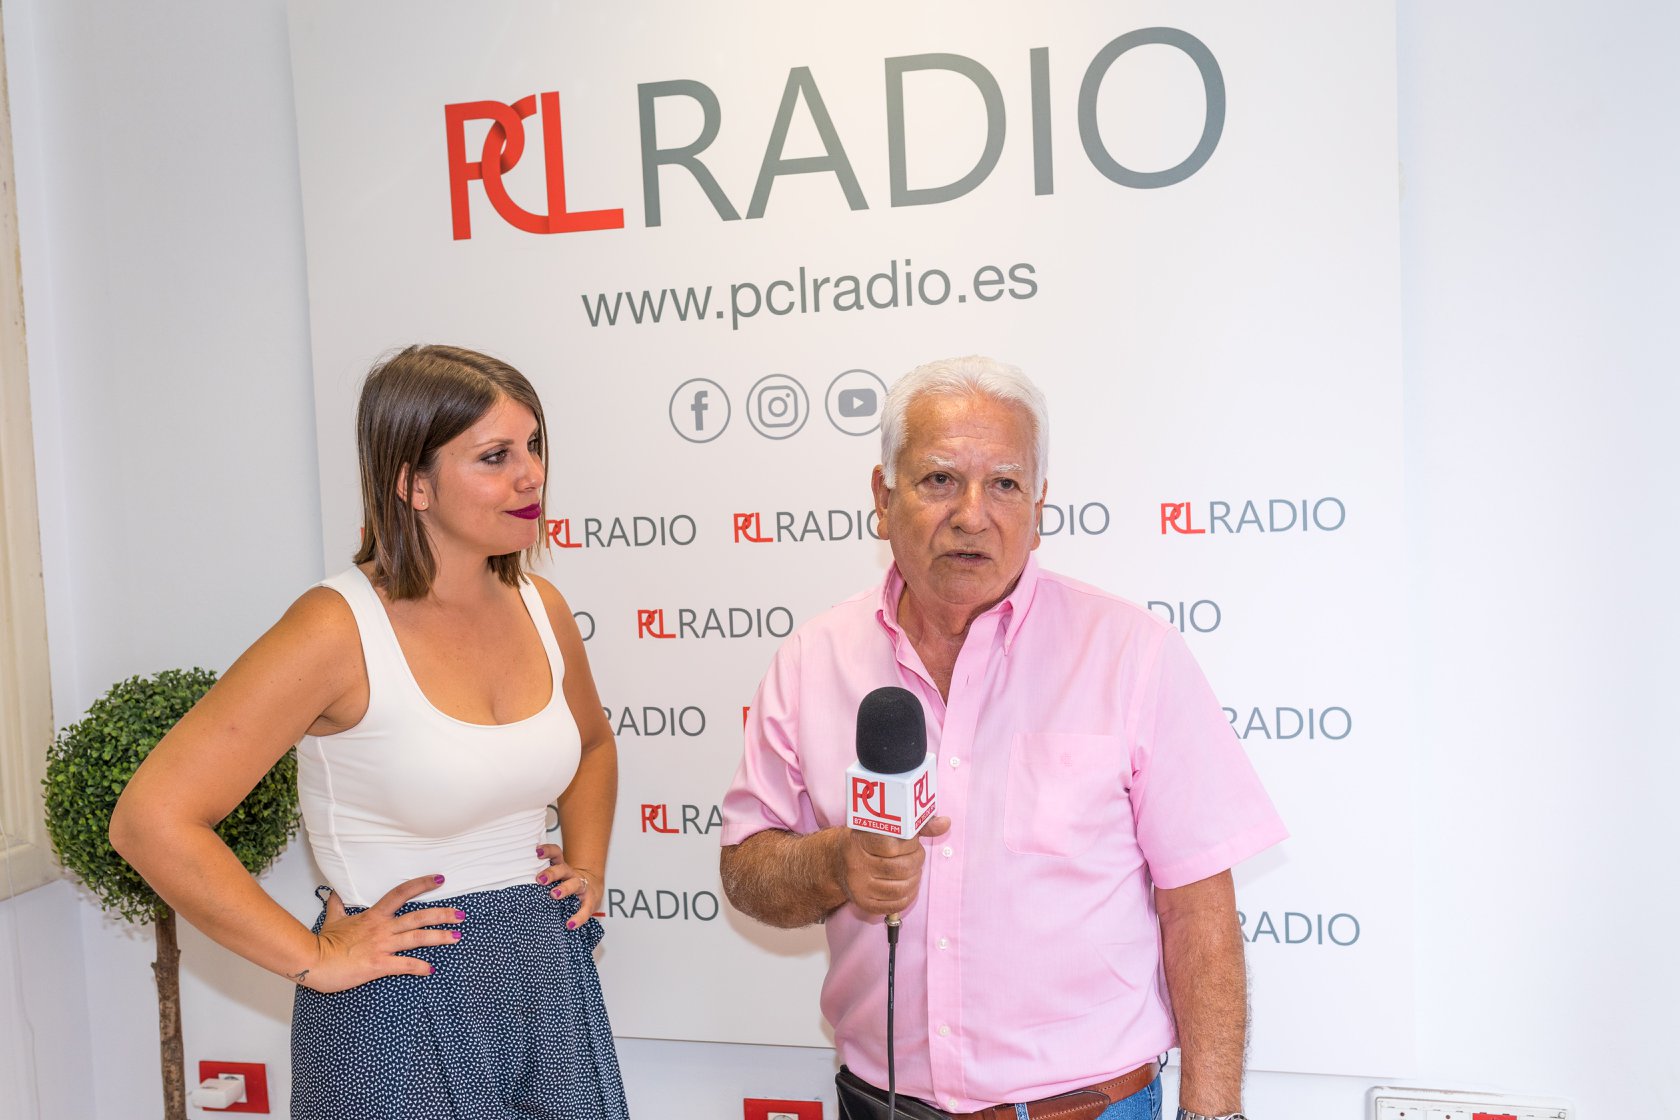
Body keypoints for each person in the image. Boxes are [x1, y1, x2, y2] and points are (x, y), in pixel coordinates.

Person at [719, 356, 1286, 1120]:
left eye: (1005, 485)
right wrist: (834, 862)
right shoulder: (812, 658)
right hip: (881, 1104)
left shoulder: (1132, 654)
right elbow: (747, 868)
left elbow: (1198, 907)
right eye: (940, 480)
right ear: (882, 498)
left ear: (1040, 505)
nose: (972, 514)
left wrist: (1212, 1113)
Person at [111, 345, 630, 1120]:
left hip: (546, 974)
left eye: (534, 446)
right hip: (398, 999)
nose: (532, 476)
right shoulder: (334, 628)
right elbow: (152, 820)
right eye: (495, 456)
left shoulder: (541, 605)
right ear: (411, 482)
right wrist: (314, 958)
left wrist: (586, 864)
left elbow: (591, 746)